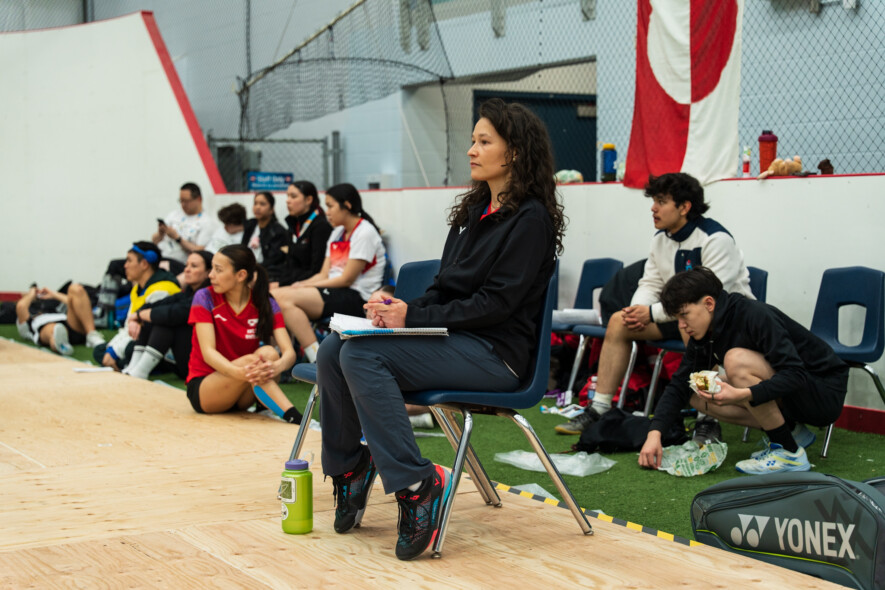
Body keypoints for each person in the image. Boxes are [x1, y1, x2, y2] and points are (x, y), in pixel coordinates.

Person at [316, 98, 562, 560]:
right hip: (457, 341)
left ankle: (417, 484)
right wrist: (398, 307)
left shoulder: (531, 221)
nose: (471, 149)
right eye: (472, 140)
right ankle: (350, 469)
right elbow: (447, 289)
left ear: (514, 153)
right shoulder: (473, 212)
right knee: (335, 348)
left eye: (484, 141)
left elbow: (496, 305)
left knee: (362, 355)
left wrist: (415, 319)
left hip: (498, 357)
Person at [555, 172, 754, 442]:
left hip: (725, 323)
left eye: (661, 201)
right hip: (680, 315)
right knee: (618, 321)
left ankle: (707, 419)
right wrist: (637, 311)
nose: (653, 207)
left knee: (694, 325)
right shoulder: (660, 239)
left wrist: (652, 313)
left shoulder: (715, 239)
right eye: (654, 201)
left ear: (684, 207)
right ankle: (599, 408)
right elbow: (650, 283)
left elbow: (709, 300)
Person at [638, 267, 849, 475]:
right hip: (792, 393)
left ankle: (789, 452)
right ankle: (792, 432)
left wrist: (743, 394)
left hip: (823, 392)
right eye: (678, 319)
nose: (682, 325)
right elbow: (679, 385)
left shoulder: (754, 315)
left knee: (735, 360)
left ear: (709, 303)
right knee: (696, 393)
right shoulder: (703, 335)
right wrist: (654, 434)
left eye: (685, 315)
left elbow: (796, 374)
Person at [186, 244, 301, 423]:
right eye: (212, 269)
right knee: (254, 360)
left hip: (244, 389)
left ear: (240, 275)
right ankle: (295, 418)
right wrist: (238, 372)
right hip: (206, 389)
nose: (211, 275)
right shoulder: (204, 297)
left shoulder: (264, 301)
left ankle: (265, 408)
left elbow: (289, 353)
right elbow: (208, 353)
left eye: (218, 270)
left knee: (269, 353)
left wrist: (276, 367)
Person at [271, 183, 385, 363]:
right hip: (334, 290)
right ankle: (282, 355)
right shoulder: (338, 233)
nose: (327, 211)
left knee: (285, 300)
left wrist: (307, 285)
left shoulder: (365, 233)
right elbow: (324, 274)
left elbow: (346, 279)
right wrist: (302, 284)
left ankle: (316, 359)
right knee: (273, 295)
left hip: (356, 297)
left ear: (346, 206)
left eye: (330, 206)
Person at [123, 251, 213, 379]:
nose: (187, 270)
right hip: (179, 358)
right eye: (186, 265)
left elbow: (175, 313)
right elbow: (160, 304)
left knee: (164, 322)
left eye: (194, 266)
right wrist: (137, 316)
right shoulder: (186, 294)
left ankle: (140, 372)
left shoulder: (208, 296)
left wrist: (140, 315)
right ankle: (134, 368)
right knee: (132, 343)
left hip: (199, 366)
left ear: (208, 273)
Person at [97, 242, 181, 371]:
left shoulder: (162, 289)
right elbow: (128, 327)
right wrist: (111, 350)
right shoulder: (138, 288)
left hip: (161, 347)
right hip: (138, 339)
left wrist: (115, 352)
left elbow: (143, 332)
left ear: (144, 264)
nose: (125, 266)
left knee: (131, 349)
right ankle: (120, 363)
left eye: (129, 261)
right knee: (100, 350)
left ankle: (126, 364)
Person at [15, 282, 105, 355]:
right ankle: (60, 344)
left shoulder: (49, 306)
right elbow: (20, 306)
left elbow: (74, 302)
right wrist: (32, 293)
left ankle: (92, 336)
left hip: (70, 325)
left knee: (76, 289)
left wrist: (53, 294)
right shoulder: (29, 321)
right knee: (53, 328)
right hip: (48, 328)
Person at [152, 182, 216, 274]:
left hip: (181, 264)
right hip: (161, 257)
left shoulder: (207, 222)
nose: (183, 204)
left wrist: (178, 239)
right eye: (181, 201)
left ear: (199, 199)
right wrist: (161, 233)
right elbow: (154, 241)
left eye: (186, 201)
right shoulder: (173, 215)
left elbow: (200, 251)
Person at [278, 180, 332, 288]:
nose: (288, 201)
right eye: (287, 196)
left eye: (293, 197)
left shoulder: (321, 226)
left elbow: (317, 269)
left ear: (308, 199)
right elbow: (290, 265)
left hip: (312, 284)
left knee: (273, 296)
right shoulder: (294, 225)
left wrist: (283, 284)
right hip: (293, 281)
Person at [242, 191, 288, 284]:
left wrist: (253, 269)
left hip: (266, 271)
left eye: (262, 204)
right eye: (255, 203)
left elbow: (273, 260)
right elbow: (242, 248)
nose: (257, 207)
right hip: (247, 267)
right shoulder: (250, 225)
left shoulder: (277, 231)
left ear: (271, 209)